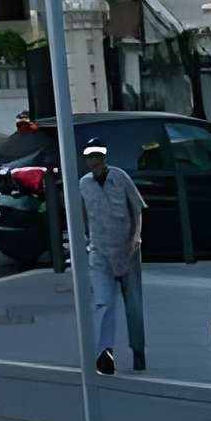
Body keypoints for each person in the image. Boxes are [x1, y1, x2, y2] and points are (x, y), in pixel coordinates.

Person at [77, 140, 145, 375]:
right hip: (100, 252)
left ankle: (138, 351)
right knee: (103, 302)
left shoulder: (120, 177)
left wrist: (136, 238)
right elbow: (83, 215)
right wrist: (87, 242)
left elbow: (137, 208)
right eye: (89, 157)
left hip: (127, 250)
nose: (93, 161)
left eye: (96, 156)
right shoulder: (83, 184)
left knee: (134, 305)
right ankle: (104, 352)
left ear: (104, 158)